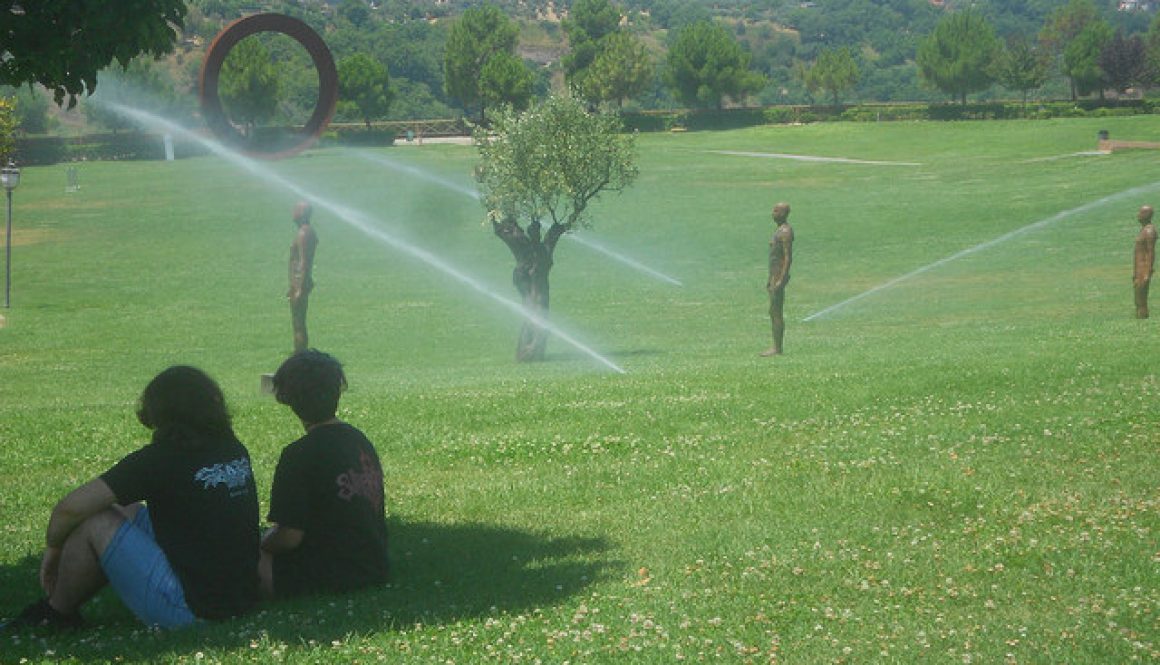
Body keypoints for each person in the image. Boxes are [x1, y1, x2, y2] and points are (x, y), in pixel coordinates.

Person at [2, 367, 259, 631]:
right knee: (128, 510)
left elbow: (69, 510)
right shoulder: (231, 447)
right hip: (241, 599)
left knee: (97, 521)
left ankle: (55, 613)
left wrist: (52, 553)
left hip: (193, 611)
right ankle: (60, 607)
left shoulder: (161, 459)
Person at [259, 350, 389, 599]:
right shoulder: (359, 440)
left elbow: (289, 537)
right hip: (373, 566)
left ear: (289, 399)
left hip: (329, 574)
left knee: (242, 560)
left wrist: (262, 542)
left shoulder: (299, 455)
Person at [762, 202, 794, 357]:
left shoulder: (786, 232)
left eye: (776, 211)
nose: (773, 213)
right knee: (773, 311)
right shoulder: (779, 231)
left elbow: (787, 258)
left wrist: (781, 279)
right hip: (774, 276)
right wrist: (770, 278)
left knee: (776, 312)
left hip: (779, 277)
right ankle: (776, 346)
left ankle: (777, 348)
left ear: (783, 213)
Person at [288, 201, 319, 353]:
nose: (293, 212)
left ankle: (300, 355)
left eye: (296, 209)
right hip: (298, 284)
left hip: (300, 284)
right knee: (298, 322)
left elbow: (304, 261)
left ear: (302, 212)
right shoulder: (305, 231)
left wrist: (300, 288)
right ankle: (299, 354)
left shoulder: (304, 233)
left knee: (299, 323)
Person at [1133, 205, 1156, 319]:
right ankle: (1140, 318)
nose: (1138, 215)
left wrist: (1147, 272)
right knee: (1138, 297)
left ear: (1147, 215)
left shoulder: (1149, 231)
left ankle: (1143, 319)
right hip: (1139, 269)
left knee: (1141, 298)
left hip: (1143, 269)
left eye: (1141, 213)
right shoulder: (1144, 230)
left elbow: (1151, 253)